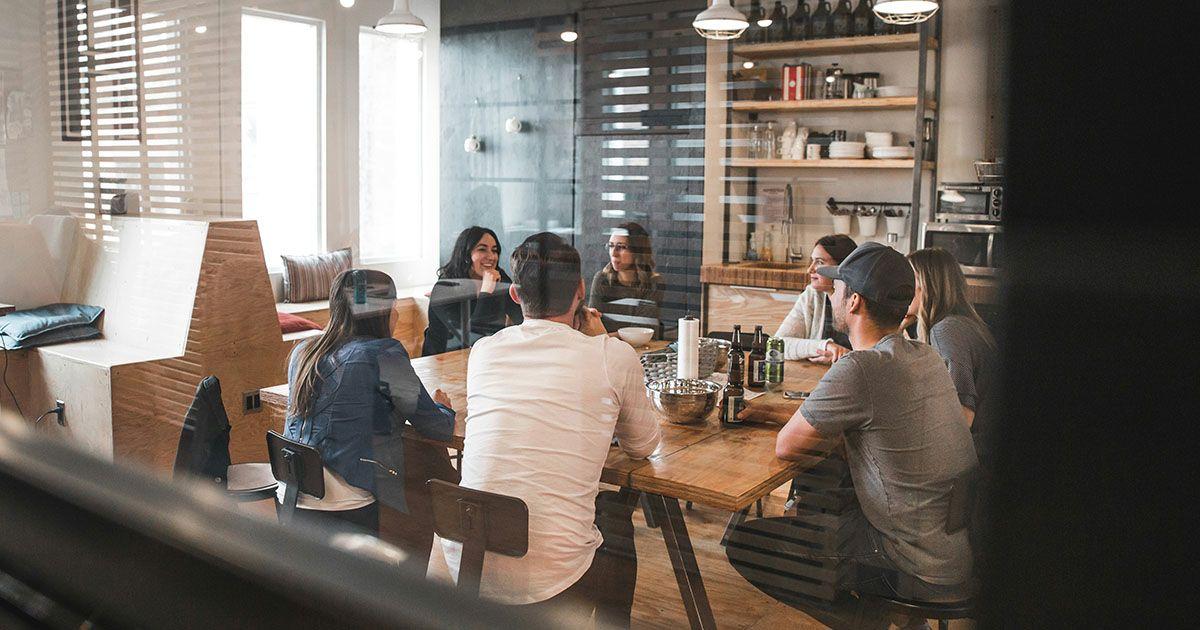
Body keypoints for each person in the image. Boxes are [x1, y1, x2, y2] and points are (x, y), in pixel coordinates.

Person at [740, 242, 978, 625]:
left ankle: (871, 622)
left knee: (749, 544)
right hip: (951, 551)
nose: (830, 290)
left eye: (837, 285)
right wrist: (767, 411)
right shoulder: (924, 356)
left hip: (910, 563)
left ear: (853, 302)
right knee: (829, 499)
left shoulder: (861, 368)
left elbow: (787, 446)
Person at [442, 232, 662, 626]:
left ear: (514, 294)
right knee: (616, 522)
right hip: (551, 581)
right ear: (581, 291)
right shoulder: (612, 355)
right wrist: (602, 341)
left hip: (466, 562)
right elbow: (643, 445)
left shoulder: (484, 352)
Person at [282, 269, 456, 535]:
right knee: (424, 474)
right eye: (394, 307)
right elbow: (437, 428)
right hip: (345, 503)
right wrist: (444, 407)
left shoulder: (303, 352)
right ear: (381, 312)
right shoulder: (383, 354)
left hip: (293, 496)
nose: (397, 315)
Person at [906, 247, 999, 461]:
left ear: (927, 285)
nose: (901, 287)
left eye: (909, 279)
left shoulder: (947, 330)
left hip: (977, 457)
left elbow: (961, 417)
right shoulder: (960, 324)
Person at [423, 226, 523, 355]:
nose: (491, 256)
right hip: (444, 360)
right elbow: (473, 338)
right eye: (482, 249)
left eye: (494, 250)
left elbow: (522, 318)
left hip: (487, 355)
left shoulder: (499, 278)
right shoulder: (444, 289)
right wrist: (486, 292)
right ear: (466, 255)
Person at [774, 234, 857, 363]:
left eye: (819, 262)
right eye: (812, 261)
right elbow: (777, 345)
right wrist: (825, 346)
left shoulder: (861, 300)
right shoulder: (812, 295)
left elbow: (875, 355)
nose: (810, 269)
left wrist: (843, 357)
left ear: (842, 267)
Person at [588, 222, 664, 334]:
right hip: (605, 344)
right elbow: (592, 325)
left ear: (637, 251)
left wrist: (606, 336)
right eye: (611, 246)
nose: (613, 253)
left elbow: (641, 331)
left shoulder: (653, 282)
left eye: (621, 247)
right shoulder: (602, 279)